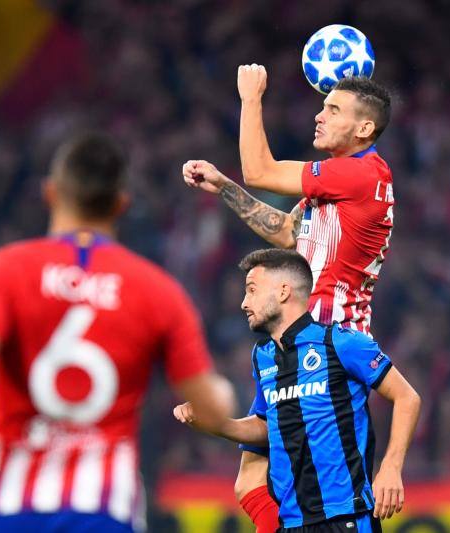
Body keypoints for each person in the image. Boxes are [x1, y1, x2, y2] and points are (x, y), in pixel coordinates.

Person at [0, 133, 235, 532]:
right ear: (121, 205)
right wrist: (221, 394)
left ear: (50, 193)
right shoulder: (158, 291)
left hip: (12, 507)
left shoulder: (2, 271)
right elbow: (211, 410)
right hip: (104, 510)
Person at [182, 66, 394, 531]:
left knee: (322, 491)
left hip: (330, 343)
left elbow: (260, 170)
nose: (319, 116)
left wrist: (250, 97)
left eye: (333, 110)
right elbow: (285, 231)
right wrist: (224, 187)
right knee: (250, 480)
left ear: (364, 128)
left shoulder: (359, 174)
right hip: (295, 338)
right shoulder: (336, 189)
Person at [173, 249, 421, 532]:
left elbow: (407, 397)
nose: (244, 303)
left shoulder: (340, 343)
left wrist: (391, 467)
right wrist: (216, 423)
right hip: (292, 523)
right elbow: (267, 426)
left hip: (346, 517)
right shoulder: (263, 357)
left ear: (283, 292)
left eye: (252, 290)